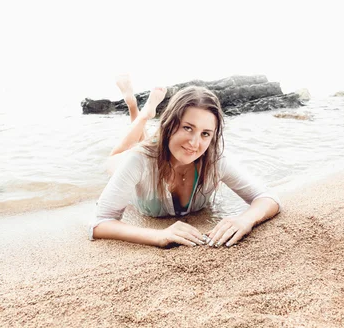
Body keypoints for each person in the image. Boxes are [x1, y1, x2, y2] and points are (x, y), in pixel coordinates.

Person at [89, 75, 281, 248]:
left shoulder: (215, 159)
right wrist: (159, 235)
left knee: (146, 146)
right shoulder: (137, 160)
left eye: (205, 133)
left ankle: (142, 113)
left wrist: (245, 220)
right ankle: (138, 110)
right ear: (170, 124)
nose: (195, 143)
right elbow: (101, 222)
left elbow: (268, 198)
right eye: (188, 128)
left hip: (155, 149)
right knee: (119, 156)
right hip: (137, 158)